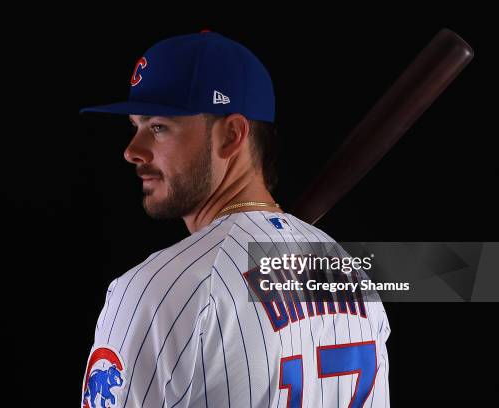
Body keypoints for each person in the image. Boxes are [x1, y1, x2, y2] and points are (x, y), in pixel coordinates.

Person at [80, 30, 390, 408]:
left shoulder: (155, 290)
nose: (132, 151)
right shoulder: (349, 272)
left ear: (231, 135)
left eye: (158, 126)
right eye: (135, 127)